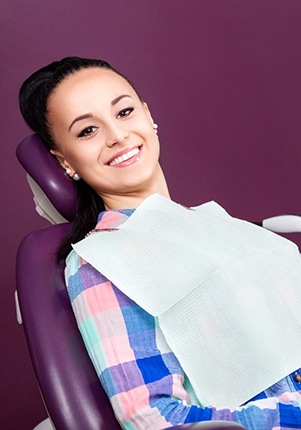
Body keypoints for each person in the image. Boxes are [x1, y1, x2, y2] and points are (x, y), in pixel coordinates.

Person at [19, 57, 301, 430]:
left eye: (124, 111)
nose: (117, 135)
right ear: (65, 162)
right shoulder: (102, 262)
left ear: (148, 116)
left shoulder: (220, 224)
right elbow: (155, 418)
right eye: (87, 131)